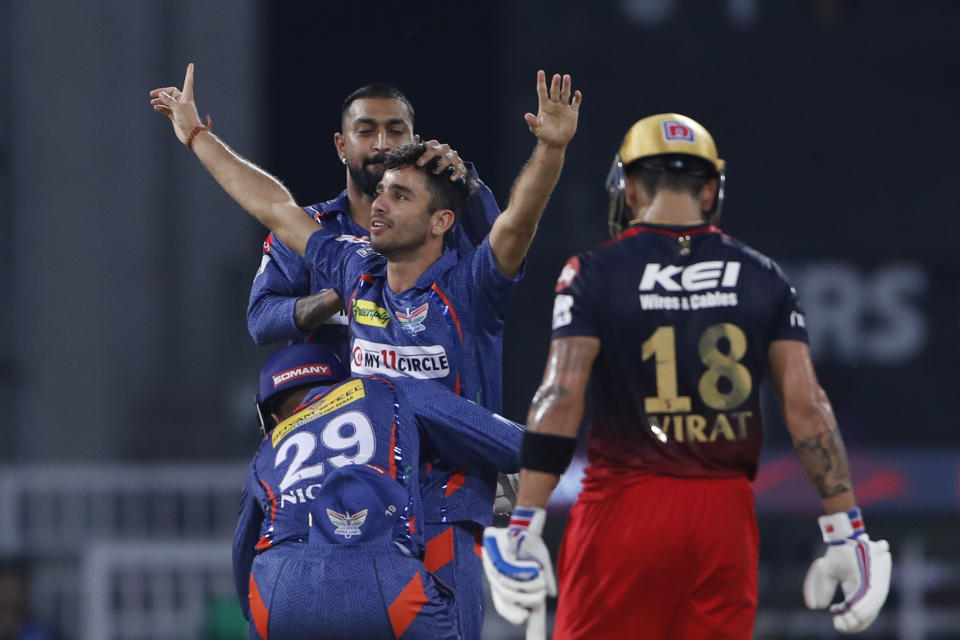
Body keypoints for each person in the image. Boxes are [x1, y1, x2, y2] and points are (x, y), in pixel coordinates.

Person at [151, 63, 580, 639]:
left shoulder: (472, 288)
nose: (377, 204)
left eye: (398, 195)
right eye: (379, 192)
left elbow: (516, 226)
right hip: (368, 510)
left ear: (440, 222)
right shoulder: (355, 271)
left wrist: (550, 150)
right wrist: (197, 137)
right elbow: (274, 208)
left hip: (450, 508)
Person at [482, 113, 892, 638]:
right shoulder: (763, 274)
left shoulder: (594, 271)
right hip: (724, 516)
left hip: (624, 506)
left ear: (628, 189)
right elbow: (808, 406)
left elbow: (561, 394)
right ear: (711, 189)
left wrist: (527, 520)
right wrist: (845, 528)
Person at [234, 343, 524, 639]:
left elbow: (243, 568)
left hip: (278, 593)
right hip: (383, 577)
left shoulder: (265, 451)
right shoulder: (386, 388)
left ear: (270, 418)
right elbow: (516, 446)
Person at [247, 82, 501, 369]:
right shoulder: (309, 228)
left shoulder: (444, 225)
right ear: (341, 145)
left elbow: (503, 261)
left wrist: (469, 184)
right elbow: (261, 320)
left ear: (415, 142)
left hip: (443, 406)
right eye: (365, 131)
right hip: (332, 407)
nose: (382, 143)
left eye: (395, 131)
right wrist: (345, 292)